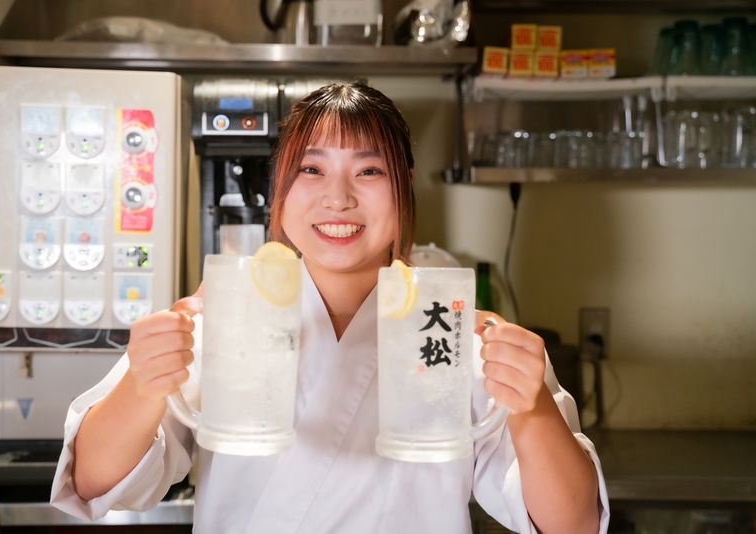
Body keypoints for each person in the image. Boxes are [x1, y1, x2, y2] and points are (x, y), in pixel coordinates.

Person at [51, 82, 610, 533]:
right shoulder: (228, 315)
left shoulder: (454, 329)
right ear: (280, 187)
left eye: (368, 171)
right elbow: (94, 483)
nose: (338, 198)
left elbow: (574, 524)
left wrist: (533, 408)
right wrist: (143, 383)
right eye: (311, 170)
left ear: (404, 187)